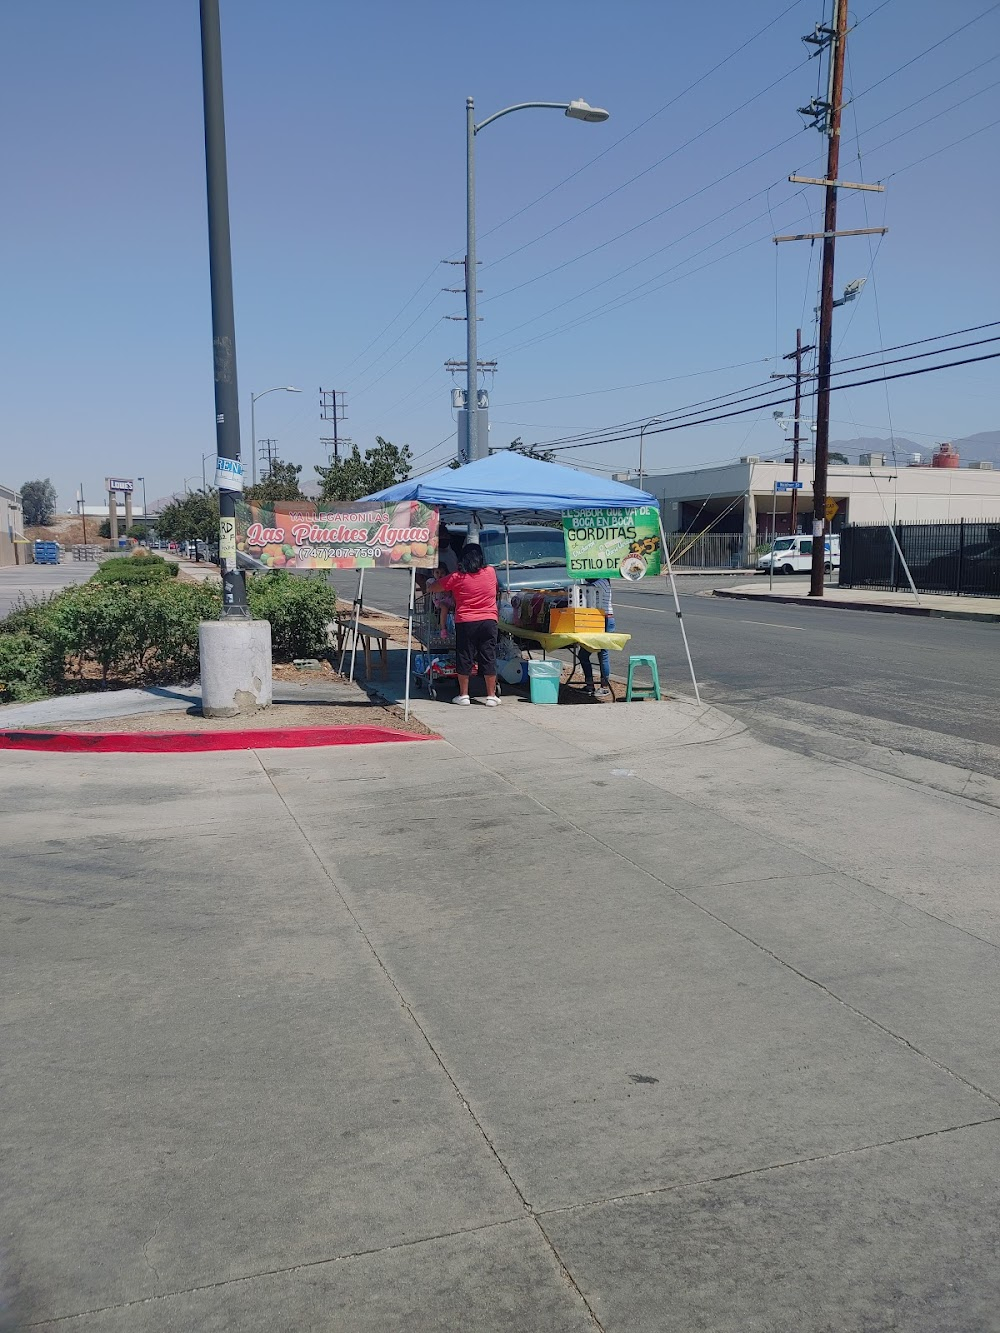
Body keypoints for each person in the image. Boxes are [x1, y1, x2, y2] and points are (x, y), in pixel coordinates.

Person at [429, 543, 500, 706]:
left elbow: (434, 587)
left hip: (466, 621)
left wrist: (429, 583)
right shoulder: (490, 572)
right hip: (489, 620)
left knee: (464, 656)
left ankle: (464, 695)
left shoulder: (456, 577)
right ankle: (491, 696)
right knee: (488, 656)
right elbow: (495, 588)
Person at [579, 577, 614, 698]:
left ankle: (604, 686)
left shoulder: (602, 582)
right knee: (583, 654)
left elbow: (587, 590)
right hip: (592, 619)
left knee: (603, 653)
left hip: (605, 619)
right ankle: (590, 684)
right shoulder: (592, 583)